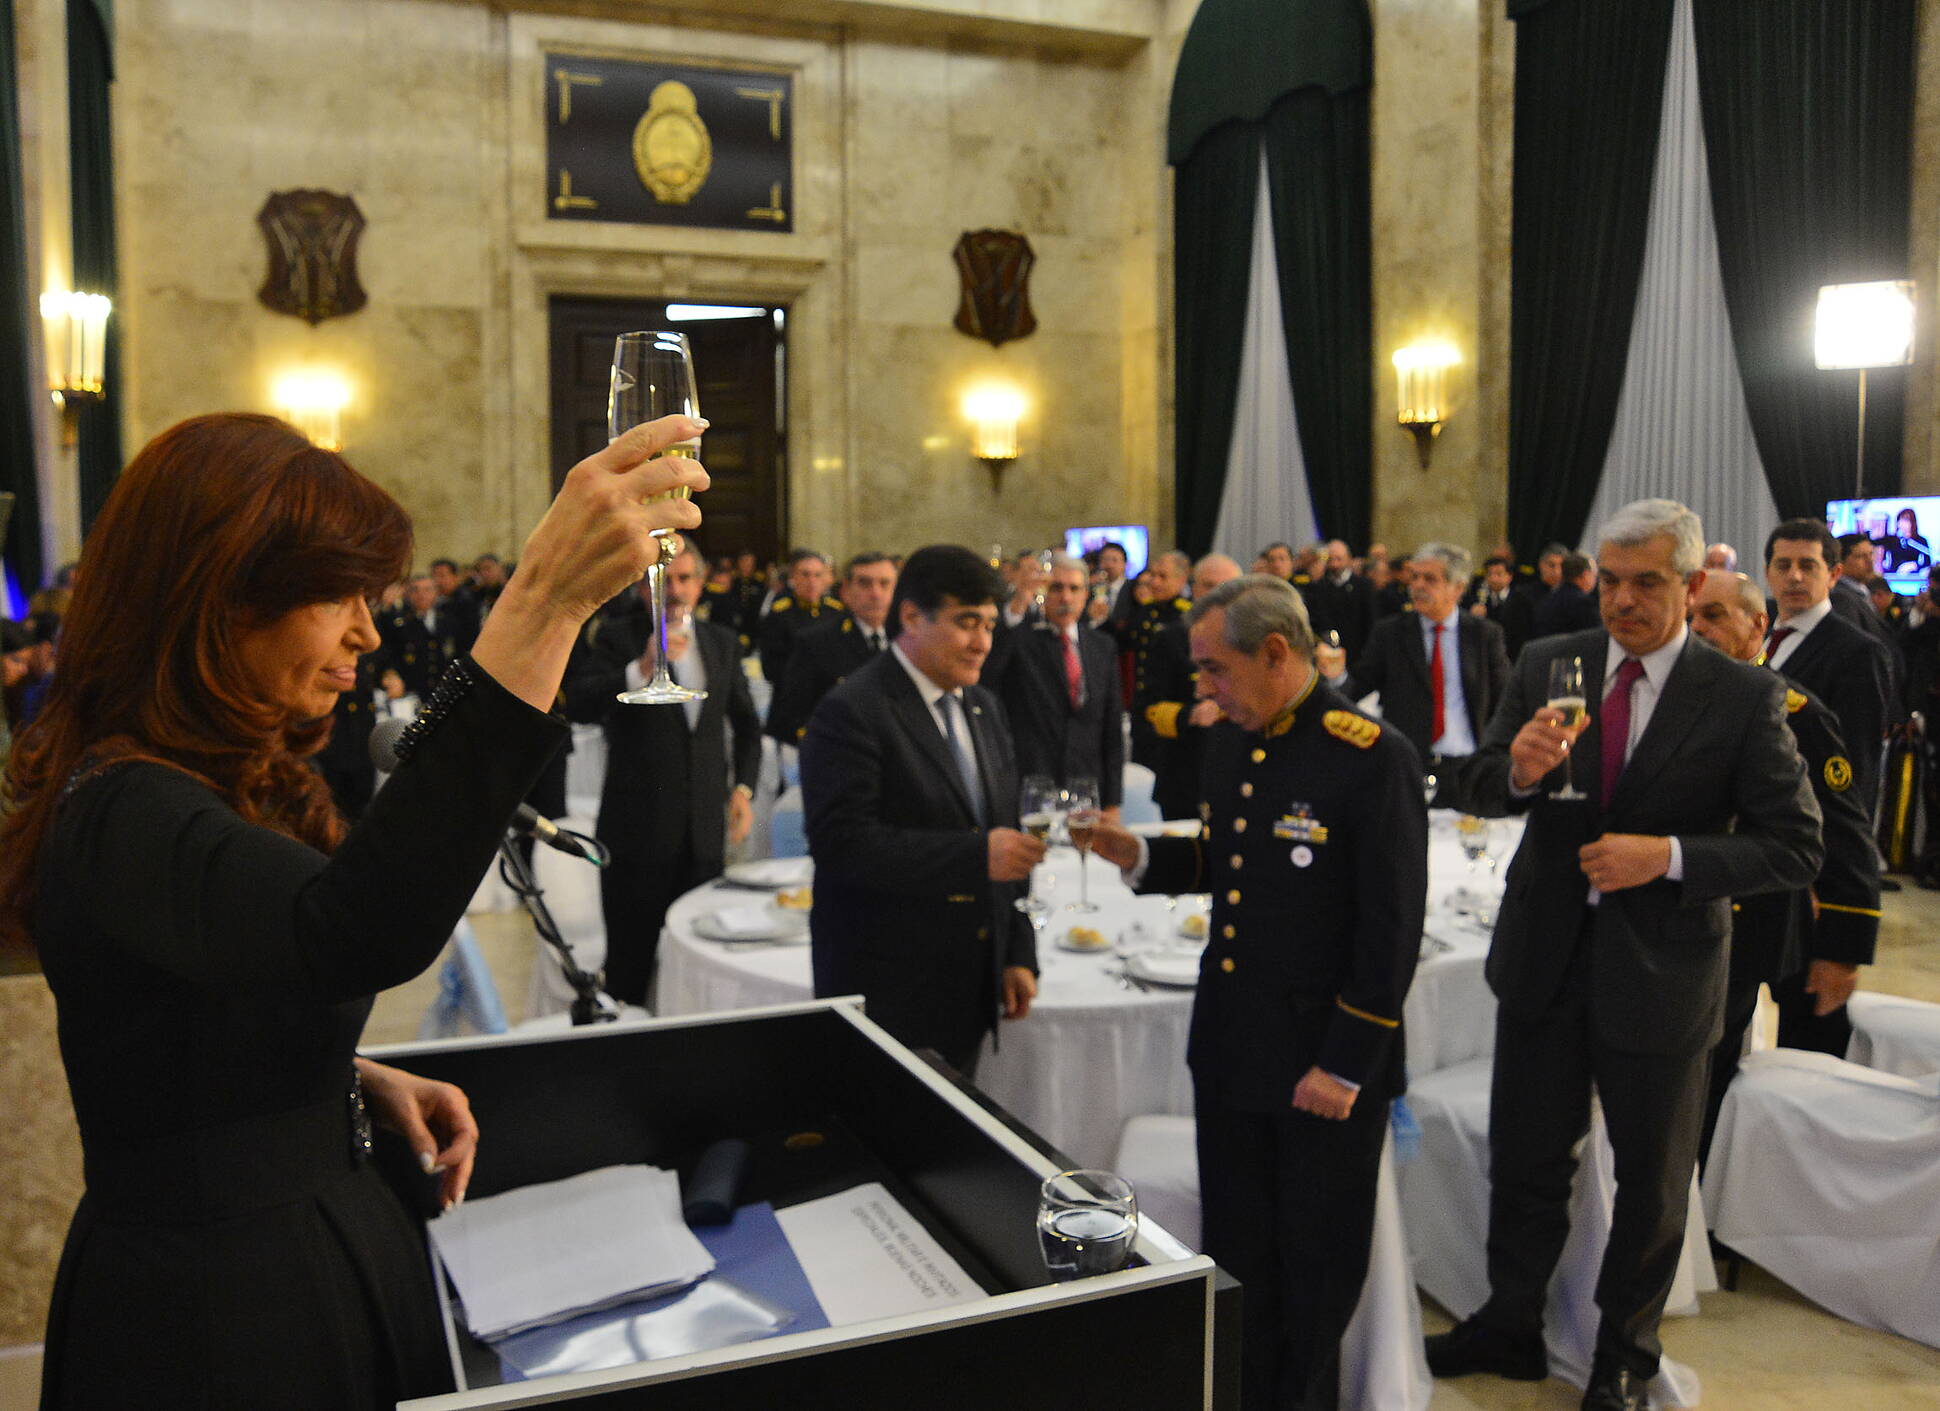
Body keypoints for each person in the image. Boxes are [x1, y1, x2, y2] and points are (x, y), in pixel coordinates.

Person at [0, 409, 707, 1409]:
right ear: (214, 600)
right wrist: (541, 601)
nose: (367, 631)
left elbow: (187, 1005)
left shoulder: (210, 780)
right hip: (215, 1326)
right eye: (335, 595)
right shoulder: (121, 804)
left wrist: (332, 1077)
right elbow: (346, 931)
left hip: (304, 1248)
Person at [1430, 499, 1820, 1411]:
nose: (1622, 600)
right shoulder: (1547, 663)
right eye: (1610, 580)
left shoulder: (1739, 695)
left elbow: (1797, 846)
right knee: (1526, 1154)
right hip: (1545, 953)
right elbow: (1481, 781)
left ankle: (1623, 1351)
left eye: (1647, 582)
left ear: (1691, 585)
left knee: (1649, 1176)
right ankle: (1511, 1320)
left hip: (1666, 968)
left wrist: (1673, 857)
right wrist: (1517, 771)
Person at [1088, 574, 1427, 1411]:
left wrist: (1345, 1066)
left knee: (1313, 1266)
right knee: (1239, 1254)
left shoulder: (1370, 756)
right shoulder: (1236, 741)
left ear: (1277, 652)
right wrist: (1139, 857)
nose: (1203, 689)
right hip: (1236, 1047)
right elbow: (1232, 865)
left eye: (1214, 669)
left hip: (1321, 1063)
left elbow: (1390, 932)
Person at [799, 544, 1041, 1075]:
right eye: (967, 623)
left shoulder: (983, 705)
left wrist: (1016, 951)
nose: (983, 643)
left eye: (990, 626)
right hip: (887, 986)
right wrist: (977, 857)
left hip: (970, 981)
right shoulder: (853, 710)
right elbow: (842, 845)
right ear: (910, 616)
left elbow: (1005, 835)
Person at [1688, 571, 1878, 1148]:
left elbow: (1845, 833)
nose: (1699, 629)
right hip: (1693, 916)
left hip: (1768, 920)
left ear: (1758, 625)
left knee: (1782, 1076)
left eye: (1715, 616)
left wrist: (1842, 949)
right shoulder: (1675, 700)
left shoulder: (1793, 711)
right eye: (1691, 615)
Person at [563, 538, 760, 1006]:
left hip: (704, 832)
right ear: (642, 583)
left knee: (700, 960)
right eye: (663, 578)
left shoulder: (721, 642)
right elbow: (581, 705)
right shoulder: (616, 637)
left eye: (685, 579)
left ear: (701, 583)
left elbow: (748, 726)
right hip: (637, 834)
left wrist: (744, 790)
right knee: (631, 967)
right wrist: (640, 669)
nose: (674, 589)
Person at [1318, 542, 1511, 812]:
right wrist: (1337, 675)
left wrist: (1498, 759)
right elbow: (1356, 689)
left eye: (1430, 579)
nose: (1417, 585)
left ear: (1458, 587)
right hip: (1408, 767)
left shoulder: (1484, 635)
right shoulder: (1391, 633)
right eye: (1415, 577)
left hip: (1468, 770)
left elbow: (1505, 701)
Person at [1763, 519, 1894, 817]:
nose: (1794, 577)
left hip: (1815, 823)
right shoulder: (1758, 639)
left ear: (1834, 575)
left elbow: (1857, 764)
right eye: (1783, 566)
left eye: (1808, 566)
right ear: (1768, 573)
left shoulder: (1860, 652)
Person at [984, 553, 1124, 816]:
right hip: (1033, 784)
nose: (1066, 597)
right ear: (1043, 591)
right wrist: (1017, 606)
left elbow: (1111, 727)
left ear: (1086, 594)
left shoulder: (1102, 646)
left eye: (1075, 589)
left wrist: (1114, 802)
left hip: (1086, 786)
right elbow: (988, 679)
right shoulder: (1021, 640)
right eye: (1056, 588)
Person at [1136, 553, 1243, 819]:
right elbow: (1146, 709)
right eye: (1209, 585)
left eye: (1228, 587)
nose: (1219, 594)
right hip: (1187, 773)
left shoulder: (1252, 642)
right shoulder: (1171, 639)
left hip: (1241, 772)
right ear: (1194, 589)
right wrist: (1191, 715)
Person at [765, 551, 897, 747]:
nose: (876, 594)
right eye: (865, 584)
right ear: (846, 591)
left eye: (884, 584)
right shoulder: (813, 640)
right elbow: (793, 703)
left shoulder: (909, 641)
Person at [758, 548, 843, 684]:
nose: (812, 581)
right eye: (805, 574)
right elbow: (770, 668)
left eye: (817, 575)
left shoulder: (835, 611)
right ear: (793, 577)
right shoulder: (780, 613)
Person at [1529, 551, 1599, 639]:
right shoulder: (1585, 604)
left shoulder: (1548, 598)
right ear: (1584, 575)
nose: (1595, 580)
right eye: (1594, 575)